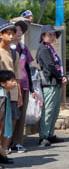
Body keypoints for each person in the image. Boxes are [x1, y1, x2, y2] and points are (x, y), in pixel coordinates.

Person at [35, 25, 67, 146]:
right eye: (50, 34)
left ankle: (50, 134)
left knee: (54, 110)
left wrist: (60, 77)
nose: (53, 37)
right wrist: (61, 76)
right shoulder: (43, 49)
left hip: (55, 82)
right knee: (48, 110)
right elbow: (49, 66)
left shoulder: (49, 48)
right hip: (49, 83)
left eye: (53, 34)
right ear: (43, 36)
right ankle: (43, 136)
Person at [11, 20, 39, 152]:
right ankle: (6, 143)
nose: (18, 32)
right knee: (11, 115)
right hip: (10, 86)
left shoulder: (23, 47)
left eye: (20, 30)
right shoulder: (7, 48)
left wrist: (32, 88)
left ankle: (18, 142)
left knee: (21, 115)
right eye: (15, 30)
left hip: (24, 85)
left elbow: (28, 67)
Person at [0, 20, 23, 162]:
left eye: (13, 34)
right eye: (8, 33)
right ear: (1, 35)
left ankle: (3, 153)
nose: (11, 36)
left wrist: (19, 95)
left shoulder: (14, 53)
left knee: (8, 125)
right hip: (1, 93)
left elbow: (17, 76)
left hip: (11, 93)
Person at [0, 67, 16, 166]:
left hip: (3, 120)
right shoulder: (1, 95)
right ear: (3, 83)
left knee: (4, 136)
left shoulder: (6, 92)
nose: (14, 82)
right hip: (1, 120)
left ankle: (2, 157)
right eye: (12, 80)